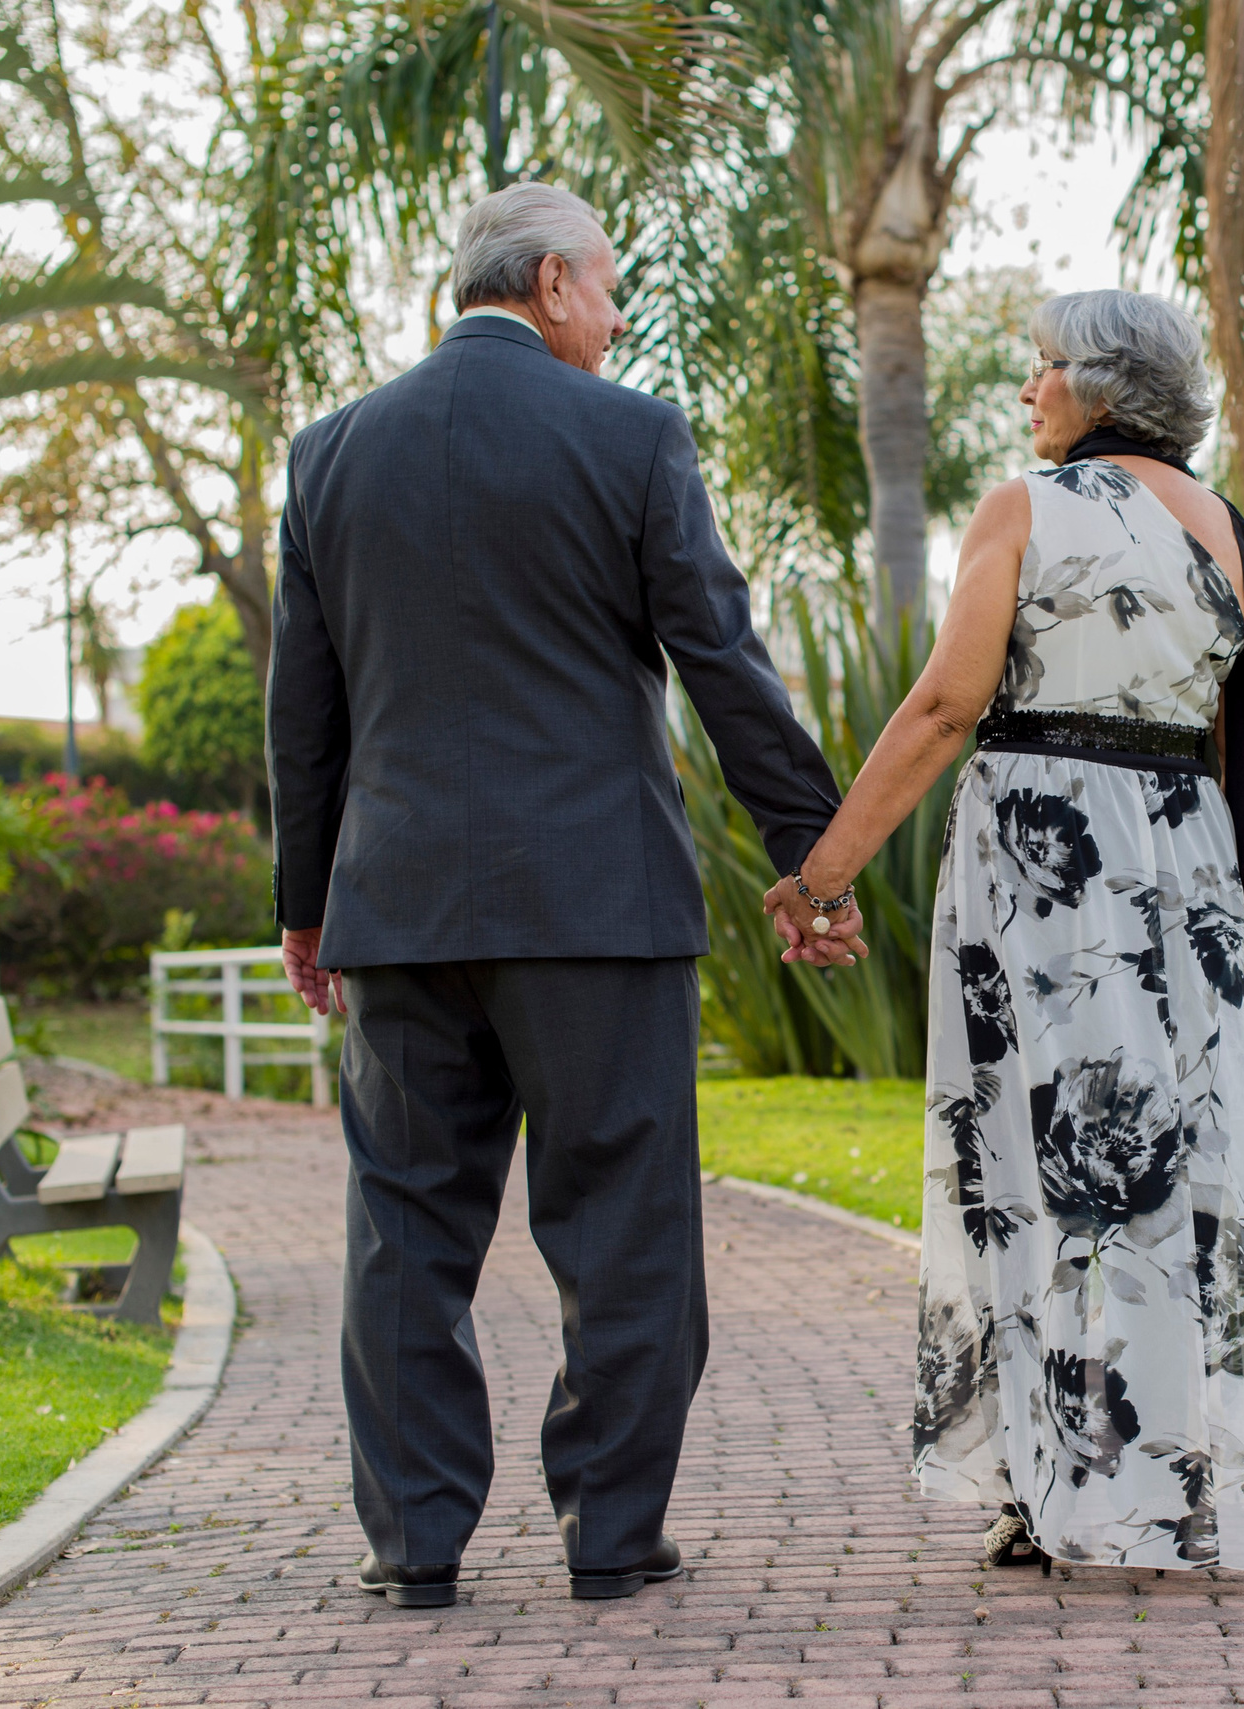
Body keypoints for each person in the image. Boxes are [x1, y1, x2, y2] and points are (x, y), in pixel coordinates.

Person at [265, 181, 865, 1610]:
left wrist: (306, 904)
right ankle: (612, 1533)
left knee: (405, 1228)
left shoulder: (331, 452)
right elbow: (723, 661)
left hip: (398, 910)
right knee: (625, 1230)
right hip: (598, 912)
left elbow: (305, 711)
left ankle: (414, 1546)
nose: (614, 314)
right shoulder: (633, 435)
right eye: (605, 287)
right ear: (546, 284)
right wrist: (814, 854)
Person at [767, 288, 1244, 1573]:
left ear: (1100, 386)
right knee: (1164, 1175)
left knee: (1031, 1156)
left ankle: (1049, 1480)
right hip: (1182, 865)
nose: (1027, 393)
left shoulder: (1024, 507)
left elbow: (949, 703)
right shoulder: (1227, 529)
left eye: (1042, 368)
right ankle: (1158, 1485)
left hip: (1045, 861)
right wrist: (1234, 914)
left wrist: (823, 872)